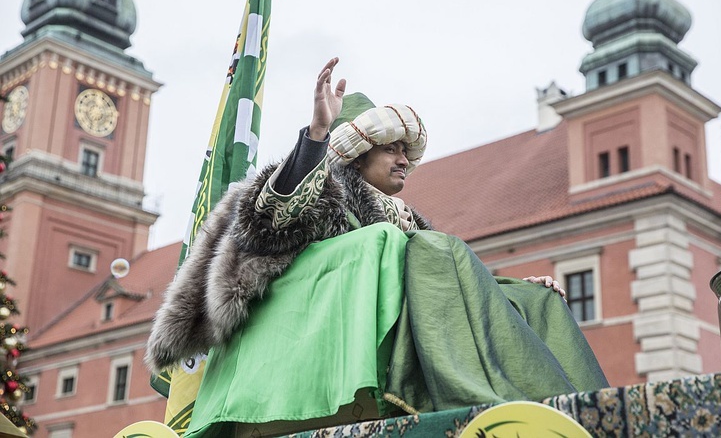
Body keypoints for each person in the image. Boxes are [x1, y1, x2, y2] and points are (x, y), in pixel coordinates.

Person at [145, 58, 606, 437]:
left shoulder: (408, 225)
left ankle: (577, 413)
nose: (405, 159)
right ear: (356, 152)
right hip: (299, 338)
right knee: (414, 249)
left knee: (536, 298)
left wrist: (508, 291)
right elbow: (269, 219)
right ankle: (475, 403)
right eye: (391, 149)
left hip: (377, 318)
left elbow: (452, 290)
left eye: (407, 150)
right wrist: (316, 137)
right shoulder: (321, 190)